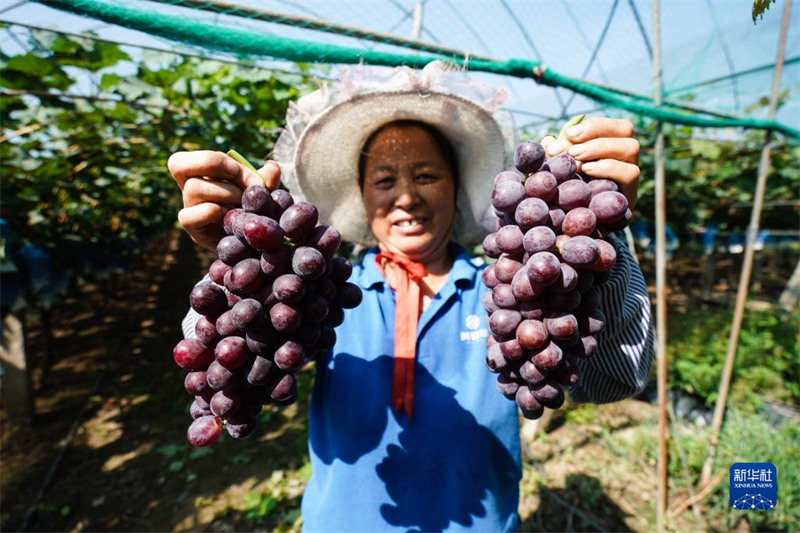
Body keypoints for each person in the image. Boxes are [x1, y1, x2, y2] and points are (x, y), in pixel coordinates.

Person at [169, 61, 654, 532]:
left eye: (426, 176)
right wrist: (232, 268)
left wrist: (598, 247)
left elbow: (615, 379)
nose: (405, 196)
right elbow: (230, 369)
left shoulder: (510, 288)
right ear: (362, 196)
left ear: (457, 189)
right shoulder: (329, 291)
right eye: (384, 180)